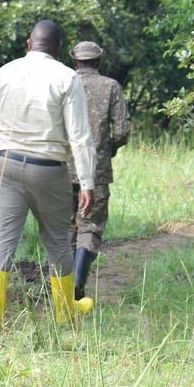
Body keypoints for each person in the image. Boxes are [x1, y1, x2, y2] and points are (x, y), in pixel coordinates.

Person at [0, 19, 97, 334]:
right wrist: (87, 181)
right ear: (58, 49)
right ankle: (64, 313)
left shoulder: (3, 73)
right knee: (58, 241)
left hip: (7, 163)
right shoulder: (66, 77)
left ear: (29, 43)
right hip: (48, 169)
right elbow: (80, 136)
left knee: (3, 239)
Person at [67, 41, 131, 302]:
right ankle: (78, 282)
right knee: (89, 226)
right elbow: (122, 131)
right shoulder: (111, 86)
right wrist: (108, 148)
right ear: (99, 62)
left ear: (75, 62)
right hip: (96, 170)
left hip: (59, 166)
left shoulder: (63, 82)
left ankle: (62, 284)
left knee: (65, 228)